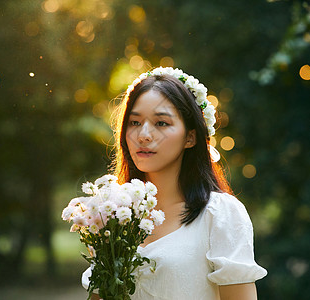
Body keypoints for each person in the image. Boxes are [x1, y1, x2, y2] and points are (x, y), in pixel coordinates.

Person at [82, 67, 267, 299]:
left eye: (161, 123)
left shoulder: (219, 214)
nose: (144, 135)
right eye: (135, 122)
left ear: (190, 137)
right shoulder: (113, 216)